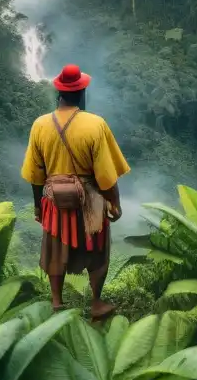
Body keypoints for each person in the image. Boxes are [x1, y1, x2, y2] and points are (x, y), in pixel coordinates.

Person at [20, 63, 130, 319]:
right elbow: (106, 175)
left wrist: (38, 207)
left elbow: (35, 175)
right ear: (81, 94)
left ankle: (57, 302)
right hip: (89, 199)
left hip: (54, 199)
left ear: (58, 94)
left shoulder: (40, 125)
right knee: (98, 250)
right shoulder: (95, 125)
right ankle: (96, 302)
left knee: (55, 248)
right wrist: (115, 203)